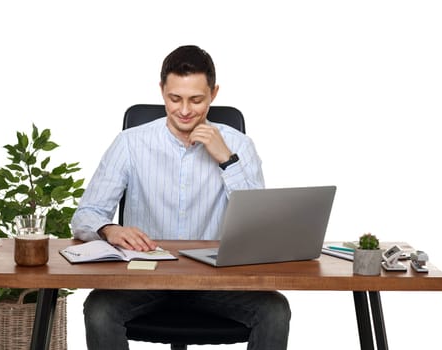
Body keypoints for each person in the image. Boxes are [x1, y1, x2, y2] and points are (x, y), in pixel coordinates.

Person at [71, 45, 290, 350]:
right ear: (162, 91)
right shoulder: (130, 144)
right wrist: (110, 230)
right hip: (146, 277)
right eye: (175, 99)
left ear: (213, 94)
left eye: (196, 100)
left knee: (275, 311)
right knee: (99, 309)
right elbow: (86, 214)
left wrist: (227, 160)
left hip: (216, 281)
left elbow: (260, 227)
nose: (185, 110)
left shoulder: (239, 145)